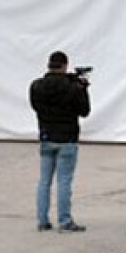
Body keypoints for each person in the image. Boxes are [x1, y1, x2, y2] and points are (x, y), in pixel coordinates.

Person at [29, 51, 91, 233]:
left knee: (44, 181)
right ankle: (64, 220)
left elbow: (36, 106)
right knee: (64, 182)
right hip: (67, 138)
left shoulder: (36, 86)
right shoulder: (72, 88)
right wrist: (82, 89)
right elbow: (85, 111)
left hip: (47, 136)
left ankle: (42, 220)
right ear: (65, 65)